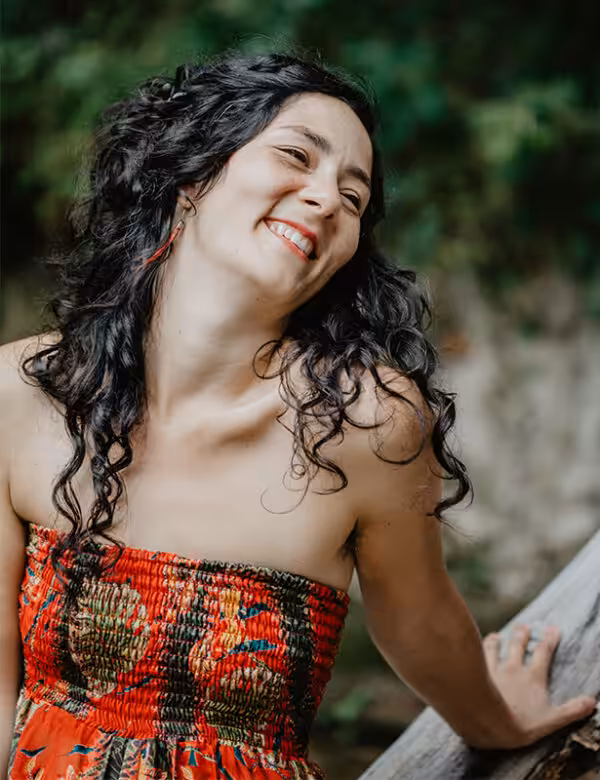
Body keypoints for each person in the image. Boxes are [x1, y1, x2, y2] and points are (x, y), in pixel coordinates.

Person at [0, 50, 595, 779]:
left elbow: (419, 620)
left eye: (353, 197)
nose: (325, 199)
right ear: (192, 176)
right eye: (296, 157)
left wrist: (501, 721)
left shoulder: (366, 423)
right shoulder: (22, 393)